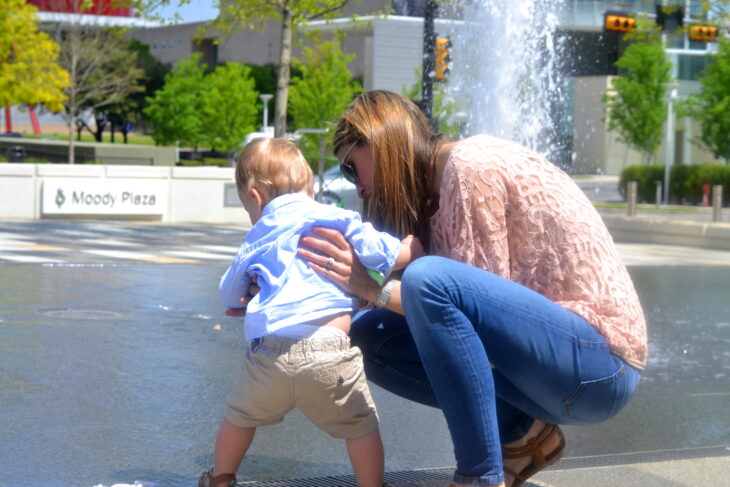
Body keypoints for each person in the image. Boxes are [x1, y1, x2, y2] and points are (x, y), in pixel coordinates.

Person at [297, 90, 647, 487]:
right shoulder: (431, 194)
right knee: (368, 334)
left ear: (379, 141)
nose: (356, 188)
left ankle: (480, 476)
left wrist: (372, 287)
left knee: (426, 279)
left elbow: (463, 317)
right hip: (551, 369)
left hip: (601, 365)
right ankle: (523, 438)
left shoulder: (468, 167)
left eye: (350, 168)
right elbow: (452, 323)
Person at [199, 137, 423, 487]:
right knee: (361, 427)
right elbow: (382, 251)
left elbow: (228, 292)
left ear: (256, 199)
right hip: (329, 353)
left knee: (239, 418)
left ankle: (222, 477)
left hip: (269, 356)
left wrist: (241, 299)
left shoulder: (259, 233)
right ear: (312, 187)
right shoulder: (334, 217)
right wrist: (410, 250)